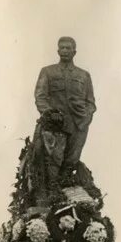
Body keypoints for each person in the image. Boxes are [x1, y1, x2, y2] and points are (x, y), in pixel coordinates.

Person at [34, 36, 96, 185]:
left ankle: (65, 189)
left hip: (78, 125)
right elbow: (40, 97)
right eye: (62, 48)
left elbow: (91, 102)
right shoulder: (48, 72)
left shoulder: (84, 75)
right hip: (57, 124)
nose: (65, 51)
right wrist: (49, 112)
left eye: (68, 48)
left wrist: (86, 118)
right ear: (57, 50)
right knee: (54, 161)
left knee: (71, 161)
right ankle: (53, 191)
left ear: (74, 52)